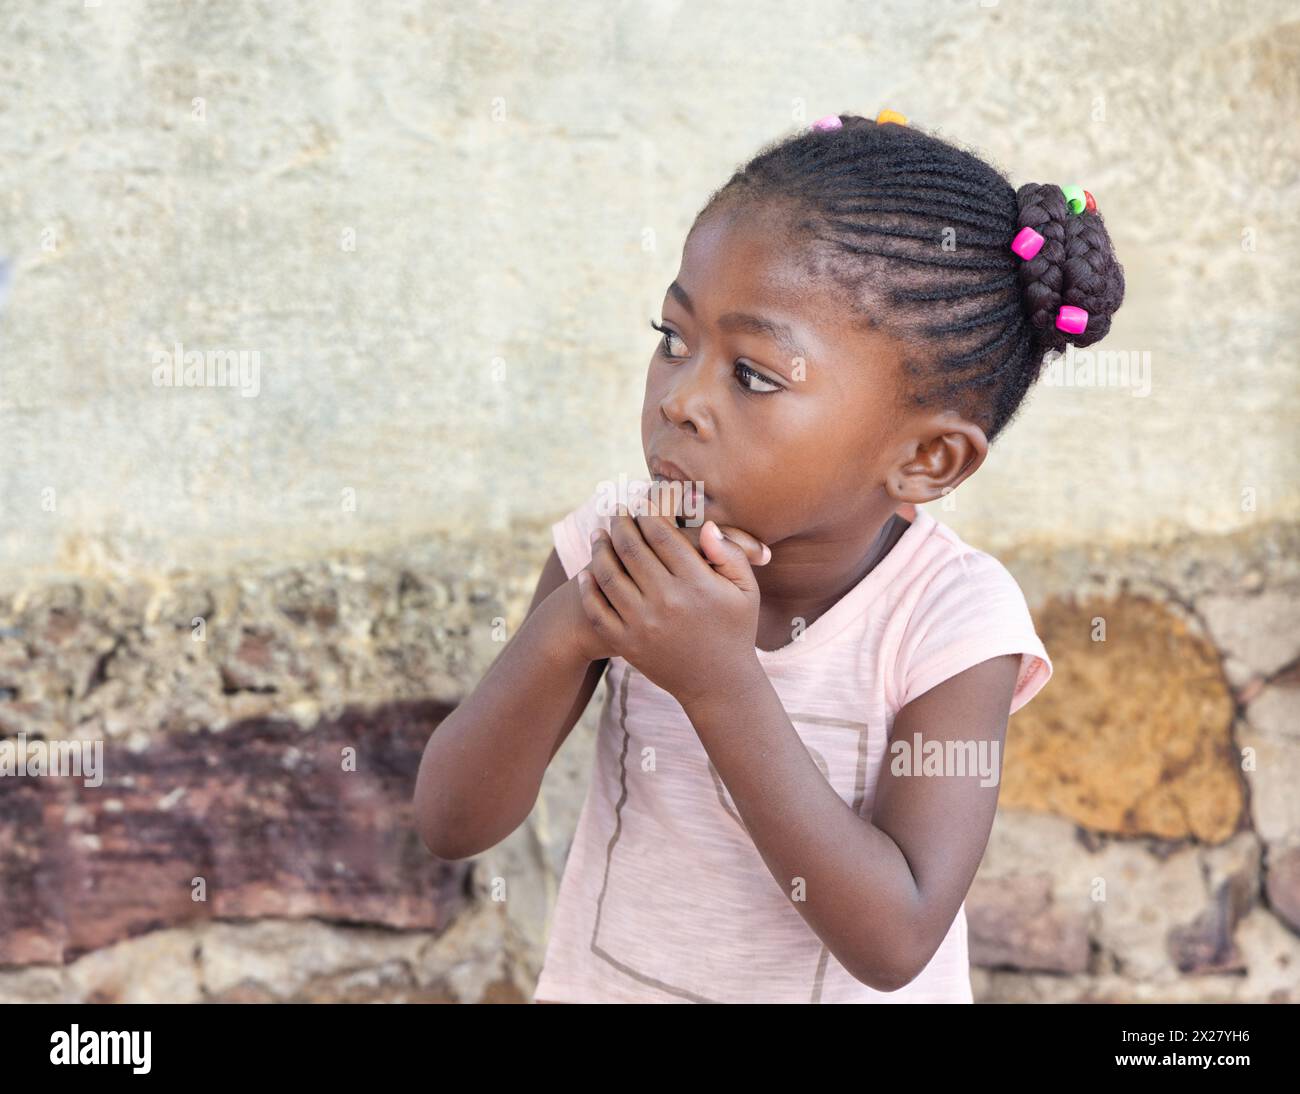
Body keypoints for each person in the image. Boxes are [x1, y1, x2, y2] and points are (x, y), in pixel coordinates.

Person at [414, 110, 1125, 1003]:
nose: (680, 400)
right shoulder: (616, 549)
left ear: (925, 460)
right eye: (673, 338)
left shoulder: (951, 620)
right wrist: (574, 626)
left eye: (754, 374)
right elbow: (451, 821)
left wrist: (719, 682)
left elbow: (897, 936)